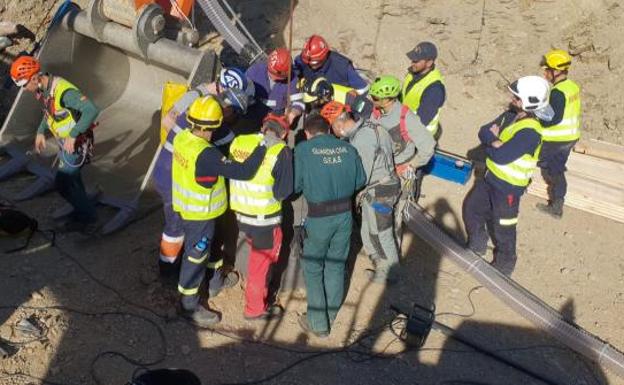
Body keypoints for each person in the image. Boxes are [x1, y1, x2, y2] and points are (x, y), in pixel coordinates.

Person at [171, 96, 267, 327]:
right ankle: (189, 304)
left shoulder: (183, 137)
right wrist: (263, 146)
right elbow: (243, 171)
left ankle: (215, 283)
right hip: (199, 215)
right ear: (213, 126)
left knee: (212, 247)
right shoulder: (207, 154)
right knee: (195, 257)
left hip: (195, 211)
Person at [155, 85, 247, 278]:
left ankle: (169, 268)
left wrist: (203, 88)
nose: (234, 119)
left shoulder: (194, 114)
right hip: (176, 181)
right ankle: (170, 273)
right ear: (226, 112)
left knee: (174, 226)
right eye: (234, 114)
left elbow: (189, 98)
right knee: (177, 228)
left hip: (166, 171)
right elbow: (235, 157)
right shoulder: (218, 131)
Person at [463, 76, 551, 276]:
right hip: (490, 178)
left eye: (517, 98)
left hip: (508, 188)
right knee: (472, 209)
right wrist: (494, 141)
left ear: (529, 102)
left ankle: (504, 266)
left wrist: (493, 142)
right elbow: (484, 131)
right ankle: (476, 245)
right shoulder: (511, 115)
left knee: (504, 229)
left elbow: (501, 156)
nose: (512, 99)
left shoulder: (531, 132)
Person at [294, 114, 366, 338]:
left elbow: (296, 185)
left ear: (307, 133)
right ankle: (331, 315)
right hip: (345, 216)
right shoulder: (348, 149)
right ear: (328, 130)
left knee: (313, 267)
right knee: (336, 264)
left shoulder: (303, 150)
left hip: (319, 217)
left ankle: (319, 323)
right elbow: (360, 181)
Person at [10, 56, 99, 233]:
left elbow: (91, 110)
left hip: (76, 144)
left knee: (62, 183)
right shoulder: (44, 89)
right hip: (65, 142)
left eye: (24, 85)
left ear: (35, 78)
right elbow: (50, 112)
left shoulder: (64, 92)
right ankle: (82, 208)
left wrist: (73, 136)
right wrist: (40, 131)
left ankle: (89, 217)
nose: (24, 89)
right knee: (74, 179)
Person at [321, 101, 400, 284]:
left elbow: (360, 175)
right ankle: (382, 267)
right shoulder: (370, 126)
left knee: (381, 232)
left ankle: (391, 274)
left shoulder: (362, 139)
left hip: (380, 192)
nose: (333, 132)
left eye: (332, 127)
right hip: (382, 187)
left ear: (338, 124)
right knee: (368, 230)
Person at [228, 113, 293, 320]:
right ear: (283, 134)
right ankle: (254, 309)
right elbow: (283, 192)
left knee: (257, 261)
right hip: (264, 220)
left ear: (263, 126)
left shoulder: (239, 141)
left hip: (241, 214)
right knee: (260, 266)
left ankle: (258, 300)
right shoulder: (280, 150)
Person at [369, 75, 435, 250]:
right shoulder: (377, 113)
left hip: (400, 173)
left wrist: (410, 165)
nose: (372, 100)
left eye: (375, 98)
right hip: (381, 172)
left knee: (394, 217)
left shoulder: (407, 119)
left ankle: (392, 259)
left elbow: (428, 147)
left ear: (387, 100)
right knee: (378, 210)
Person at [535, 49, 582, 218]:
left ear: (556, 71)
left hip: (556, 139)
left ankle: (557, 207)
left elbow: (552, 119)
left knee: (552, 169)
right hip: (570, 136)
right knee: (556, 165)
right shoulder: (572, 87)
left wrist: (537, 115)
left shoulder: (557, 92)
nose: (544, 73)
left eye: (547, 69)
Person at [294, 34, 369, 95]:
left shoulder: (342, 67)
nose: (310, 66)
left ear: (323, 57)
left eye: (314, 63)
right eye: (308, 62)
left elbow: (363, 89)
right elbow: (294, 73)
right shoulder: (303, 60)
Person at [245, 48, 304, 124]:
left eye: (277, 76)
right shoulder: (254, 71)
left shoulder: (293, 81)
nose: (273, 77)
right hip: (253, 112)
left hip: (276, 118)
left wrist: (293, 113)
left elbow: (299, 101)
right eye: (271, 73)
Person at [401, 41, 446, 139]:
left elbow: (421, 121)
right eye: (412, 59)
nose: (412, 63)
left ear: (429, 63)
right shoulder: (413, 72)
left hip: (420, 136)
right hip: (405, 124)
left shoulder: (434, 89)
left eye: (416, 61)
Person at [302, 76, 373, 120]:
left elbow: (367, 110)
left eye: (315, 102)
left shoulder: (349, 97)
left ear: (325, 95)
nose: (313, 105)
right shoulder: (316, 105)